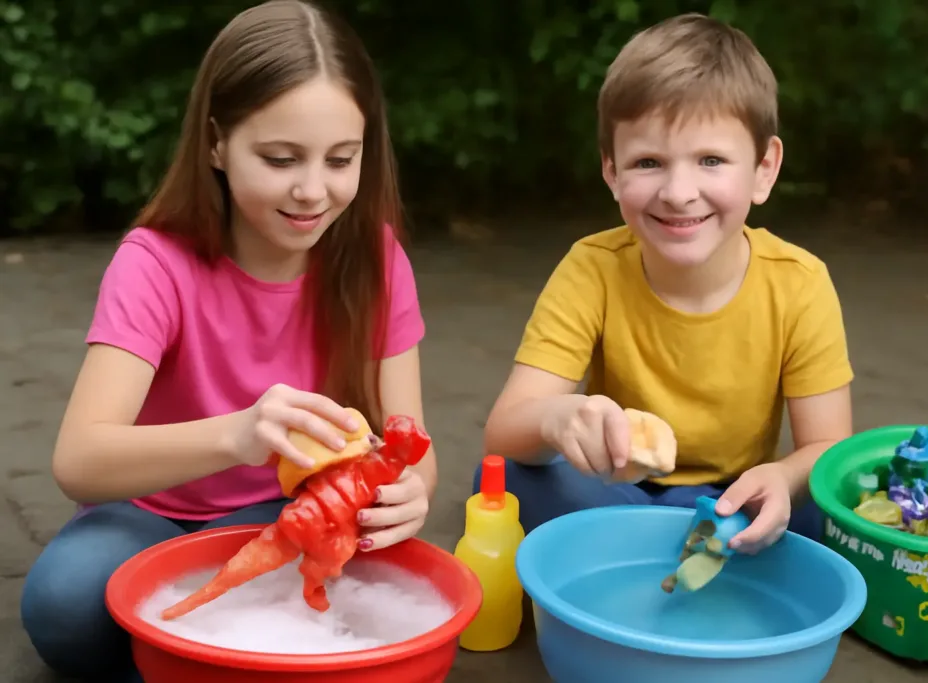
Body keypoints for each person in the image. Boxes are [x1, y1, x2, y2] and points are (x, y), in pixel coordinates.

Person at [19, 2, 435, 681]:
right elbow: (80, 459)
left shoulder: (378, 260)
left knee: (344, 594)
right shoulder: (155, 262)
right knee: (64, 604)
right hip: (145, 512)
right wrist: (239, 434)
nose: (312, 190)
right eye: (279, 158)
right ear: (216, 143)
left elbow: (411, 444)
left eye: (341, 159)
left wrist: (411, 491)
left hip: (291, 514)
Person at [478, 13, 854, 553]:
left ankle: (648, 560)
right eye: (649, 162)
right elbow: (505, 430)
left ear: (764, 168)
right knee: (510, 480)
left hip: (733, 499)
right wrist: (559, 419)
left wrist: (782, 477)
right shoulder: (593, 267)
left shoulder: (799, 283)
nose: (679, 192)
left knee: (824, 511)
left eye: (711, 160)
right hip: (615, 489)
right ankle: (676, 561)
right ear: (612, 172)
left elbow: (828, 445)